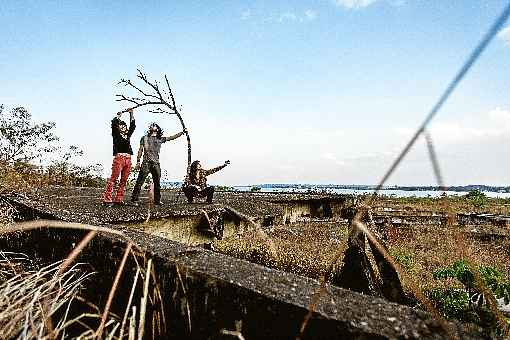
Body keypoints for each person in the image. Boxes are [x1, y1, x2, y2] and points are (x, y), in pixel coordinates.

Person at [130, 123, 186, 206]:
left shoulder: (160, 138)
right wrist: (138, 161)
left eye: (154, 125)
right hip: (146, 162)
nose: (152, 126)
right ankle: (134, 200)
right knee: (140, 181)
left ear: (158, 128)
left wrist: (182, 133)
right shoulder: (144, 138)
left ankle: (157, 200)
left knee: (157, 183)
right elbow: (140, 150)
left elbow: (172, 137)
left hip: (156, 163)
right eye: (151, 125)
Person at [102, 108, 136, 206]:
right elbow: (113, 123)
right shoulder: (116, 134)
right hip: (119, 158)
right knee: (113, 179)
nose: (123, 127)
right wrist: (118, 116)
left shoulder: (128, 135)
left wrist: (131, 114)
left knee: (124, 180)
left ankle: (119, 199)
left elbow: (133, 126)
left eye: (124, 126)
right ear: (118, 127)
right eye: (121, 126)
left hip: (128, 159)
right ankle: (107, 199)